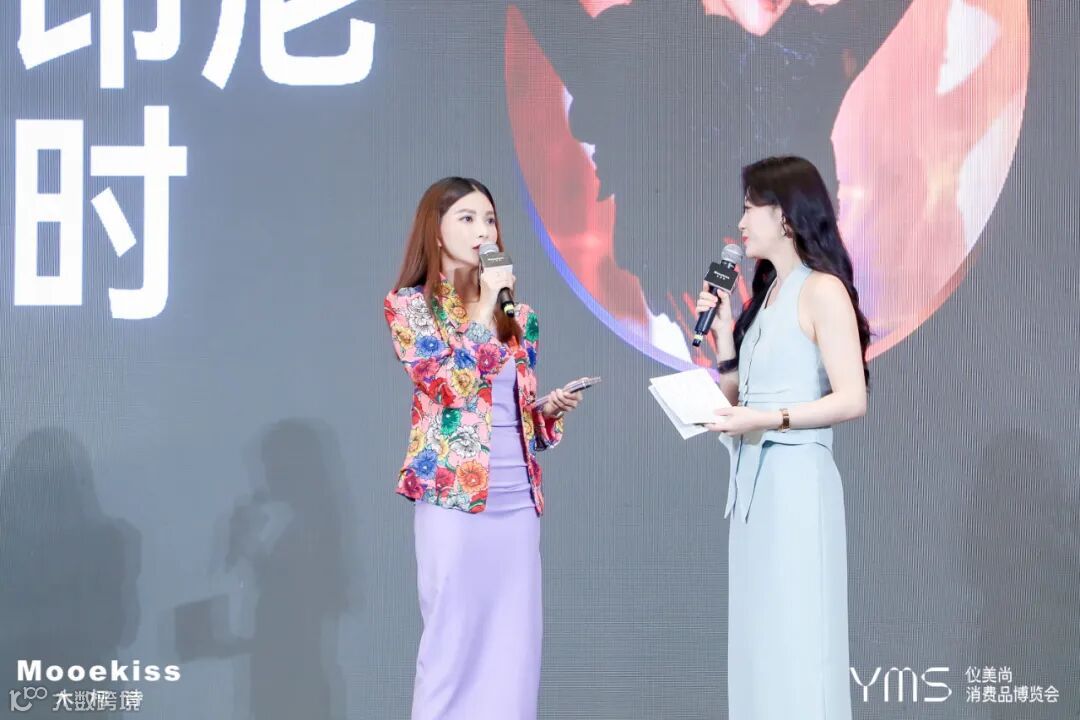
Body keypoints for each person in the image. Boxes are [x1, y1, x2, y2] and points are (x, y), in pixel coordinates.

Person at [383, 176, 585, 720]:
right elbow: (449, 385)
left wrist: (546, 413)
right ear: (436, 230)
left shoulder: (520, 317)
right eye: (467, 218)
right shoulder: (410, 308)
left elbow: (515, 416)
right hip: (454, 499)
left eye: (489, 219)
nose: (483, 231)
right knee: (451, 644)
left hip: (516, 502)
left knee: (513, 650)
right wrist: (485, 307)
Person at [695, 156, 870, 718]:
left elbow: (852, 399)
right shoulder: (767, 297)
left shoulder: (822, 291)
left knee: (799, 642)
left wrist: (768, 419)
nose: (741, 222)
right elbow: (738, 398)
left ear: (786, 216)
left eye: (751, 208)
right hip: (753, 490)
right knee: (759, 646)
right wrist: (726, 337)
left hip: (796, 486)